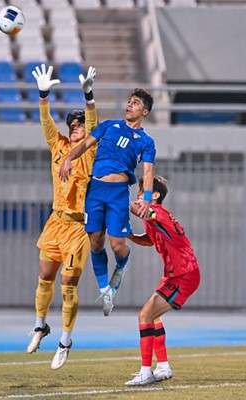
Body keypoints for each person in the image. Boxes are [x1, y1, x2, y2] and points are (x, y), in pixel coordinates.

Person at [58, 88, 156, 316]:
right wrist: (68, 159)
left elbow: (148, 173)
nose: (129, 105)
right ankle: (106, 290)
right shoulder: (108, 126)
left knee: (117, 246)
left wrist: (147, 200)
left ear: (145, 111)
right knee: (95, 242)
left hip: (119, 192)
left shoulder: (146, 141)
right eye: (129, 101)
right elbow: (84, 144)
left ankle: (121, 266)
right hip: (96, 190)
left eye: (135, 103)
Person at [26, 63, 98, 370]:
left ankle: (65, 341)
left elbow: (94, 124)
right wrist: (43, 95)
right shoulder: (59, 146)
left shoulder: (90, 150)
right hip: (54, 222)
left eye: (79, 124)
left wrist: (89, 96)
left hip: (78, 227)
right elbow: (45, 123)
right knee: (45, 278)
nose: (74, 127)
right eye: (72, 124)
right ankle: (41, 326)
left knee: (69, 285)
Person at [124, 175, 200, 386]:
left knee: (145, 315)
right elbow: (150, 240)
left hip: (183, 274)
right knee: (154, 317)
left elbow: (144, 211)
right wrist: (130, 236)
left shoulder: (154, 212)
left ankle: (145, 371)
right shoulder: (158, 216)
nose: (139, 195)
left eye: (143, 191)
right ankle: (163, 366)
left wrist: (116, 197)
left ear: (155, 195)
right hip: (177, 273)